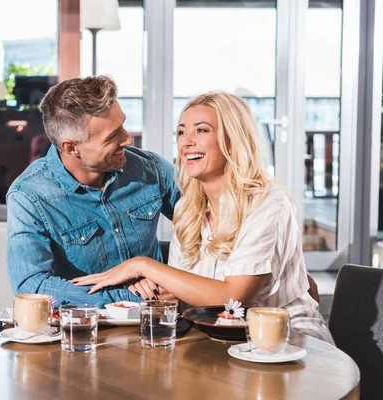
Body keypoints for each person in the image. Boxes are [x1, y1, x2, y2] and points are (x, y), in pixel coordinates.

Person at [72, 91, 333, 343]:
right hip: (219, 336)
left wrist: (142, 265)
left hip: (287, 337)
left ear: (232, 140)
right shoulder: (189, 208)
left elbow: (233, 299)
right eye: (182, 132)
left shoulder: (267, 203)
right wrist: (166, 293)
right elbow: (187, 297)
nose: (186, 141)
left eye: (202, 130)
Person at [6, 76, 180, 306]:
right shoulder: (29, 196)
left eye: (123, 125)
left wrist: (172, 280)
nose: (128, 139)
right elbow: (32, 286)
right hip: (84, 332)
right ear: (71, 147)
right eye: (112, 136)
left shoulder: (152, 169)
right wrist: (127, 297)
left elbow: (207, 228)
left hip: (156, 322)